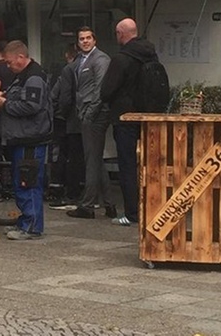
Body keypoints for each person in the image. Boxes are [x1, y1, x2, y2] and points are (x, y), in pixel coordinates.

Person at [0, 40, 52, 241]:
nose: (8, 66)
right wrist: (5, 96)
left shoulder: (33, 78)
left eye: (9, 62)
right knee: (23, 181)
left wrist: (5, 104)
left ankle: (31, 227)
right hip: (23, 138)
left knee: (29, 182)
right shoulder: (23, 76)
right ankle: (26, 221)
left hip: (31, 139)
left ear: (21, 58)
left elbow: (31, 106)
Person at [100, 18, 160, 226]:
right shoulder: (152, 55)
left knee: (127, 165)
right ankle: (153, 208)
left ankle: (132, 213)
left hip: (125, 118)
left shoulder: (121, 59)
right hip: (150, 117)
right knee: (149, 164)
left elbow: (106, 91)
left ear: (121, 34)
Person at [67, 26, 116, 220]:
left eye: (88, 38)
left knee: (91, 158)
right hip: (85, 111)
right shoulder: (80, 60)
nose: (85, 41)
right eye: (81, 39)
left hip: (95, 113)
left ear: (94, 40)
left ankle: (88, 205)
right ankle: (110, 203)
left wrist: (90, 112)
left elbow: (100, 88)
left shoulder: (100, 59)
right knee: (95, 157)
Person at [46, 42, 84, 208]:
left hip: (65, 119)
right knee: (78, 156)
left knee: (62, 155)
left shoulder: (67, 72)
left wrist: (60, 112)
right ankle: (80, 189)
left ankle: (64, 191)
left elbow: (58, 96)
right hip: (81, 118)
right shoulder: (84, 71)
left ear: (68, 57)